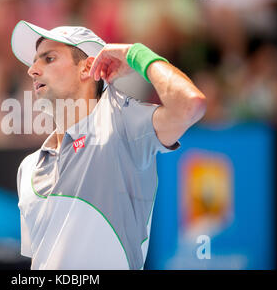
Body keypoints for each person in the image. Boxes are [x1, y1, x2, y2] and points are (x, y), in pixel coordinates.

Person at [11, 20, 206, 270]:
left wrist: (135, 54)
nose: (32, 70)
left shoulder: (122, 125)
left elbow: (190, 105)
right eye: (34, 61)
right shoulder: (28, 168)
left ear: (87, 69)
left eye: (48, 59)